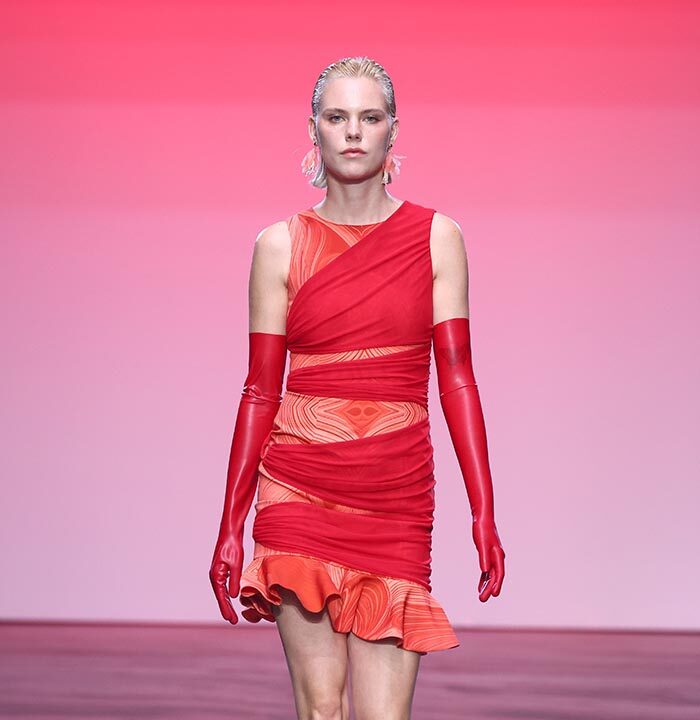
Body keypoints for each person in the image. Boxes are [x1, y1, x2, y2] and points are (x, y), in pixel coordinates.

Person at [210, 55, 506, 720]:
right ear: (313, 128)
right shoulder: (279, 246)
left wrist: (483, 511)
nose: (352, 132)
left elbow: (457, 378)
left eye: (369, 118)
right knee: (321, 710)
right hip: (297, 488)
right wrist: (231, 524)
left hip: (395, 492)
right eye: (336, 117)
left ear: (392, 130)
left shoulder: (437, 238)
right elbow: (260, 391)